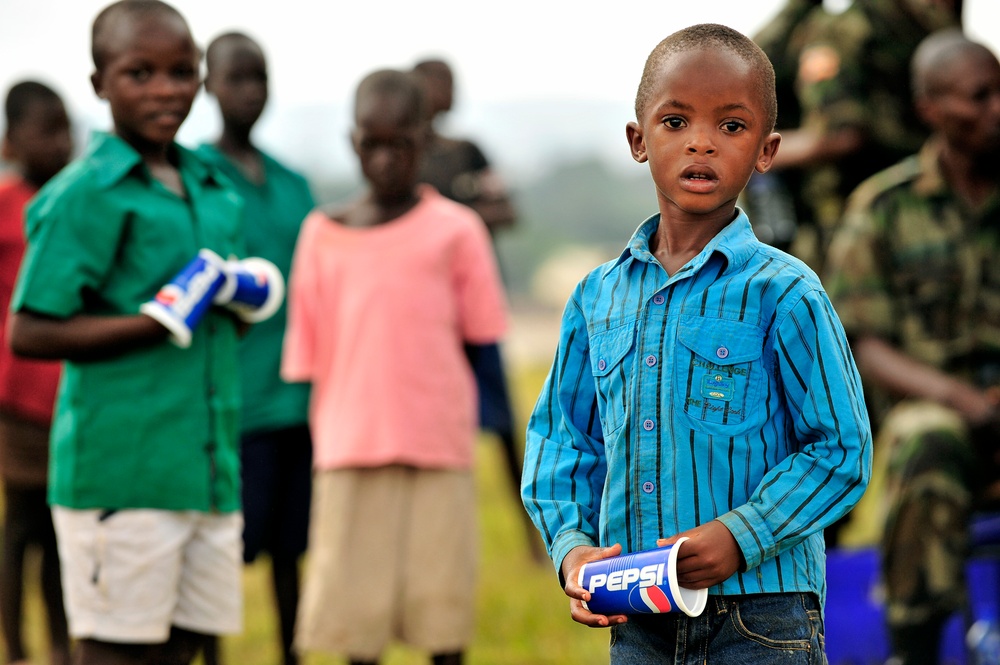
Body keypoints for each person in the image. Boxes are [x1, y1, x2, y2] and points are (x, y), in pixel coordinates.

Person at [520, 23, 872, 662]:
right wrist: (573, 548)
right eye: (676, 122)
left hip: (765, 618)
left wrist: (741, 536)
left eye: (731, 127)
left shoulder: (786, 293)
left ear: (766, 152)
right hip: (638, 613)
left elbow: (841, 450)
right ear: (638, 139)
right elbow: (562, 439)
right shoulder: (596, 297)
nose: (702, 143)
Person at [5, 1, 263, 663]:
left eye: (182, 72)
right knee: (118, 653)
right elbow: (30, 329)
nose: (165, 89)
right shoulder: (88, 191)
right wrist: (152, 321)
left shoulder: (209, 184)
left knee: (186, 648)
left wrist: (240, 296)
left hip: (204, 467)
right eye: (139, 73)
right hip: (123, 474)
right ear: (99, 83)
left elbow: (218, 310)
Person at [282, 68, 508, 665]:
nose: (384, 160)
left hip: (436, 441)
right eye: (371, 144)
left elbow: (482, 340)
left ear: (423, 142)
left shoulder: (457, 231)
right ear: (352, 143)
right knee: (357, 623)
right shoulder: (320, 235)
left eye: (399, 145)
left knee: (442, 611)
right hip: (349, 443)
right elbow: (308, 351)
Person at [823, 29, 1000, 665]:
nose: (996, 109)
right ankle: (915, 647)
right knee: (925, 437)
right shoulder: (884, 209)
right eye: (979, 97)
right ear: (930, 108)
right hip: (942, 407)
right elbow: (863, 343)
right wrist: (962, 399)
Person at [198, 31, 314, 665]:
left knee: (290, 548)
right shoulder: (194, 177)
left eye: (259, 78)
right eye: (236, 78)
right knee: (224, 550)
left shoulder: (292, 183)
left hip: (297, 393)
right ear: (209, 85)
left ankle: (292, 653)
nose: (249, 91)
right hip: (232, 398)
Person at [411, 58, 544, 561]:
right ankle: (434, 539)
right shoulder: (407, 159)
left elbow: (506, 209)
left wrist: (455, 215)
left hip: (475, 305)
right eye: (435, 84)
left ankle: (531, 534)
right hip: (426, 315)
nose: (445, 93)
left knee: (502, 424)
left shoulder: (465, 153)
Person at [767, 0, 961, 272]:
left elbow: (839, 135)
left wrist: (750, 150)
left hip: (856, 220)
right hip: (909, 214)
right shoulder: (929, 25)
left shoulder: (856, 26)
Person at [0, 80, 72, 665]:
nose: (62, 141)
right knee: (20, 525)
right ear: (11, 141)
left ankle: (60, 643)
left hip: (68, 393)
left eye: (65, 127)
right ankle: (18, 648)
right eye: (46, 130)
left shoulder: (73, 202)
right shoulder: (5, 207)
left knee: (58, 532)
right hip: (17, 396)